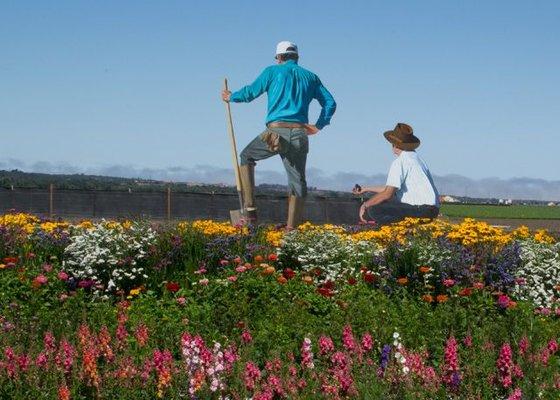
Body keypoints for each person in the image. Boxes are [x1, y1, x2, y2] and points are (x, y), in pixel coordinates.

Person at [222, 41, 336, 229]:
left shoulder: (272, 72)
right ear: (297, 57)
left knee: (246, 156)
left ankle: (249, 213)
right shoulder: (311, 77)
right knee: (298, 181)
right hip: (300, 134)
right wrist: (318, 126)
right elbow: (330, 103)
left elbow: (250, 93)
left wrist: (231, 96)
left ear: (279, 57)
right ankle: (292, 230)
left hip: (275, 133)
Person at [353, 123, 439, 225]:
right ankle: (399, 228)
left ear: (394, 145)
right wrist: (366, 188)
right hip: (431, 210)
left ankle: (396, 231)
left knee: (374, 209)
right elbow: (391, 189)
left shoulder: (400, 162)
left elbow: (387, 194)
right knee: (380, 203)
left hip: (420, 209)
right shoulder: (416, 159)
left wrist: (365, 205)